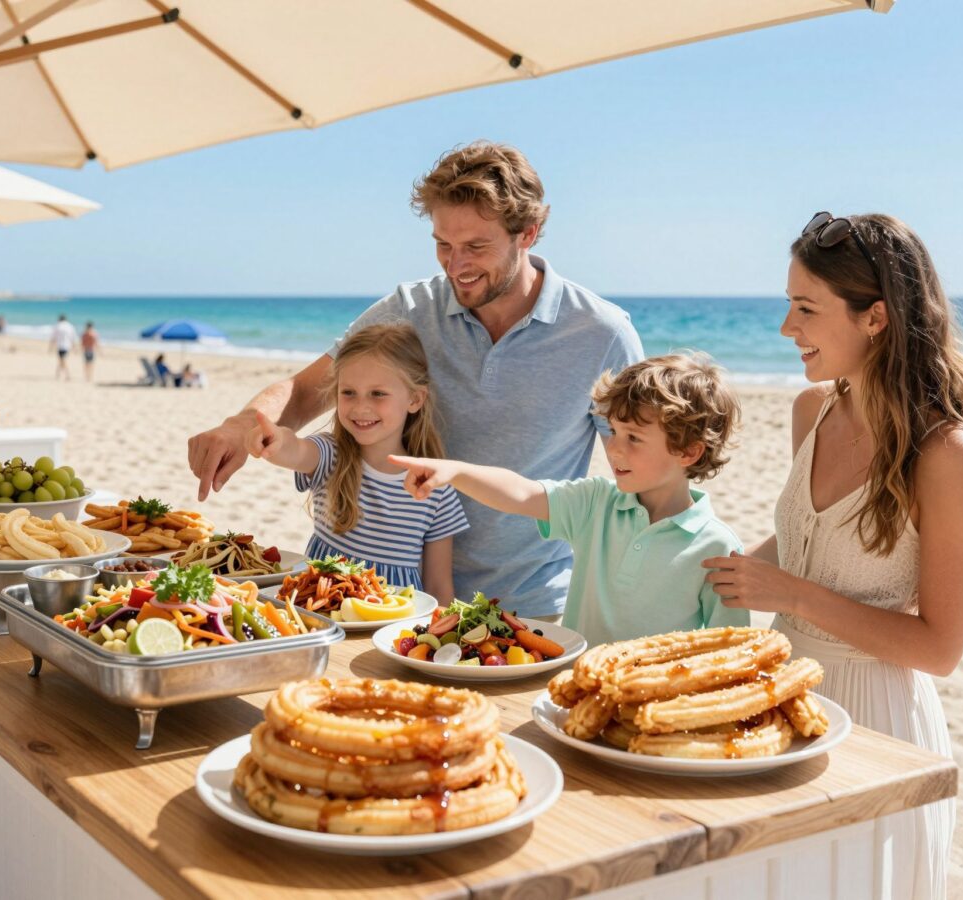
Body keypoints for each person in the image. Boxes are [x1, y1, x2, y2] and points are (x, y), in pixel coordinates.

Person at [188, 142, 644, 618]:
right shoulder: (409, 309)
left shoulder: (602, 334)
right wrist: (238, 427)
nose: (456, 265)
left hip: (533, 606)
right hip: (395, 603)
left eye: (476, 247)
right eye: (443, 244)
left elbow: (644, 477)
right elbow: (308, 389)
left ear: (528, 234)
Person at [702, 212, 963, 900]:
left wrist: (791, 595)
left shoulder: (947, 455)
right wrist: (732, 567)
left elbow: (939, 648)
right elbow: (808, 542)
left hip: (879, 727)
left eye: (805, 309)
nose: (787, 329)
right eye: (788, 306)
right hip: (780, 704)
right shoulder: (810, 409)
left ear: (875, 319)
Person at [392, 353, 747, 642]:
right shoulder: (595, 502)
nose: (614, 449)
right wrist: (455, 472)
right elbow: (520, 492)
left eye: (634, 438)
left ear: (688, 451)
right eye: (614, 432)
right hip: (574, 691)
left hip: (659, 709)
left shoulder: (718, 548)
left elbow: (731, 648)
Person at [244, 323, 468, 603]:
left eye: (378, 394)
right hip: (318, 609)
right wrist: (276, 440)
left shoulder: (435, 487)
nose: (361, 407)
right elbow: (295, 450)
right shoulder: (329, 455)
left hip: (389, 620)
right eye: (348, 392)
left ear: (414, 398)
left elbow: (438, 586)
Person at [49, 314, 77, 380]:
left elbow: (53, 337)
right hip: (67, 345)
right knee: (62, 360)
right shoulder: (70, 326)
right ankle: (59, 374)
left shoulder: (57, 326)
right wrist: (74, 347)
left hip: (60, 345)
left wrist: (50, 347)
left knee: (62, 360)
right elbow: (73, 338)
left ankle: (64, 374)